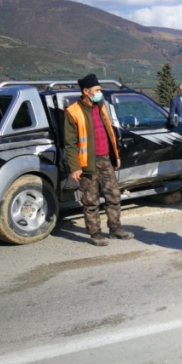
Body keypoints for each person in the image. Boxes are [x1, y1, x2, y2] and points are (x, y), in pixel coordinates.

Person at [64, 73, 134, 246]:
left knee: (114, 195)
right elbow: (70, 143)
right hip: (88, 162)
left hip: (105, 159)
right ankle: (95, 233)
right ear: (86, 91)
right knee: (90, 200)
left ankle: (115, 228)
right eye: (97, 90)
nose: (99, 93)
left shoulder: (101, 106)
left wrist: (115, 156)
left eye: (100, 90)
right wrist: (75, 167)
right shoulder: (73, 112)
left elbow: (109, 133)